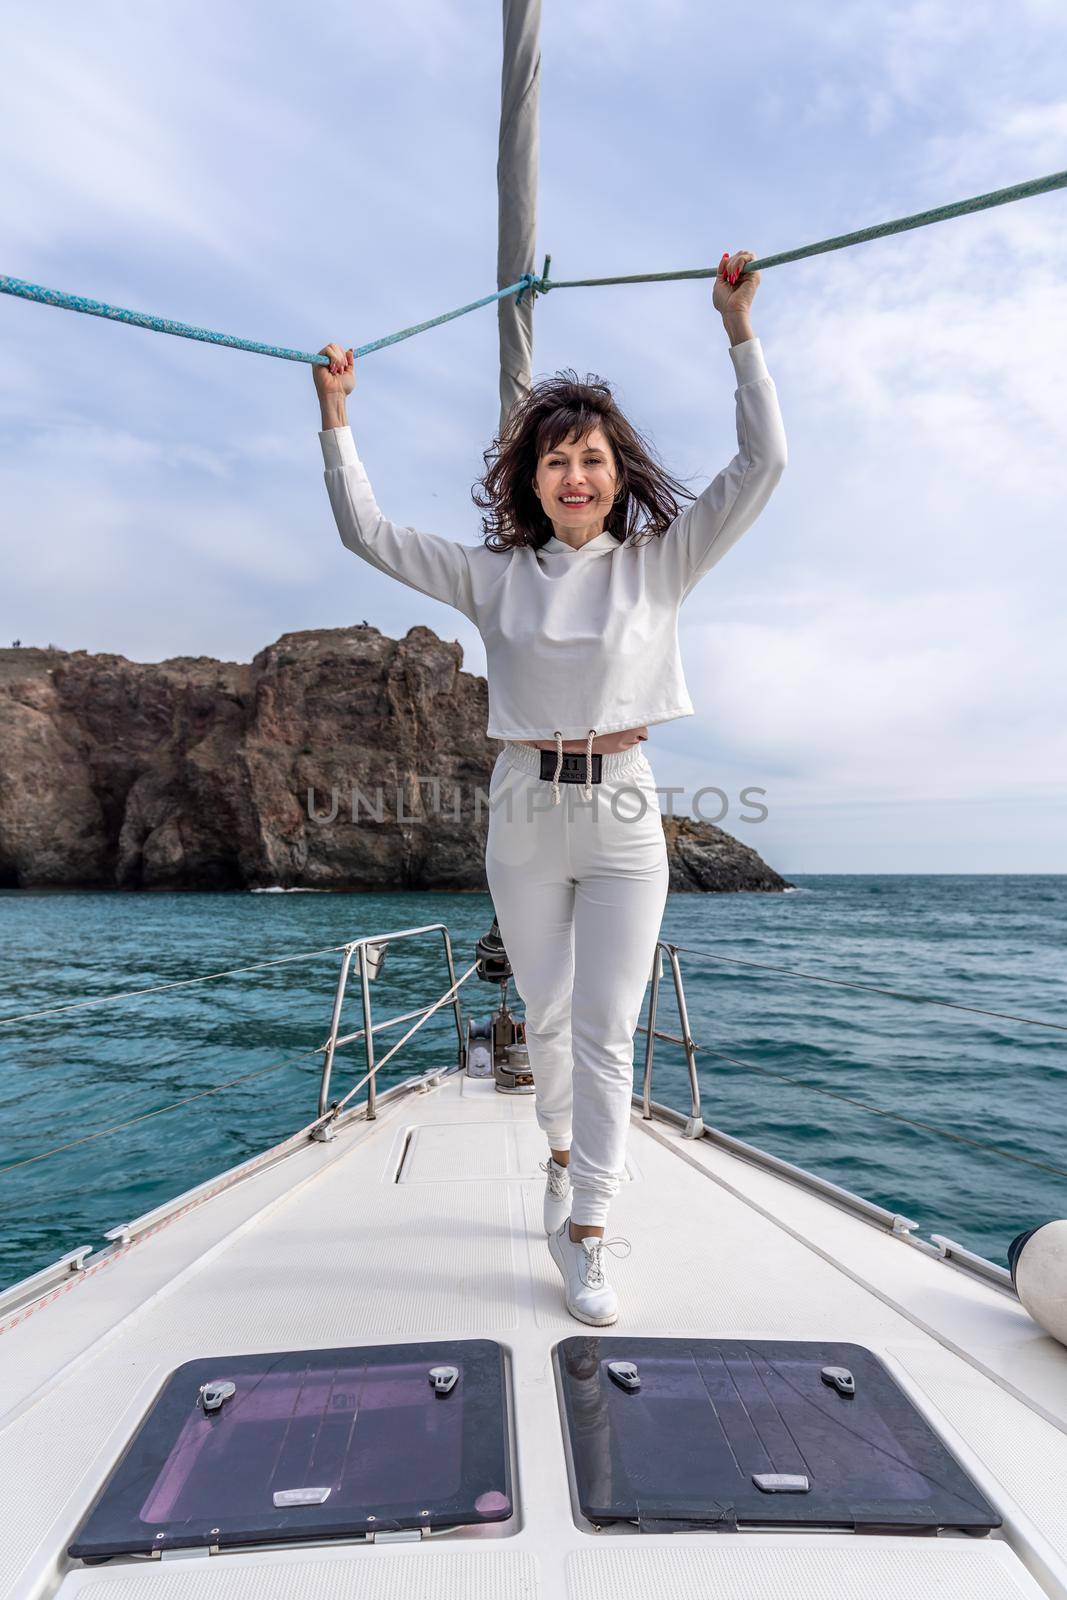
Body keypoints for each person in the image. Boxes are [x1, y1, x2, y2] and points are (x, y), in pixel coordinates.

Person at [313, 249, 787, 1325]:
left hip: (623, 808)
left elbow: (761, 466)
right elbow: (367, 533)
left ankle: (587, 1229)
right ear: (529, 480)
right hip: (523, 810)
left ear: (616, 474)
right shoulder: (495, 578)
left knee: (608, 1027)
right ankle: (563, 1153)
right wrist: (337, 416)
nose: (575, 476)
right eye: (555, 461)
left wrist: (736, 330)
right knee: (547, 1008)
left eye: (591, 459)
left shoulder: (659, 563)